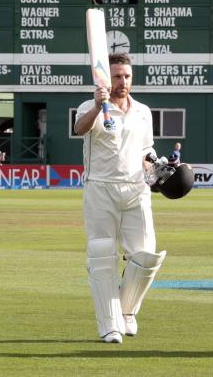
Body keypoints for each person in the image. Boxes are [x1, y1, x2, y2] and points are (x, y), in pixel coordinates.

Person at [73, 53, 164, 344]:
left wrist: (156, 170)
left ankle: (125, 312)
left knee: (146, 256)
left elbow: (146, 152)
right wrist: (100, 106)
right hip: (101, 187)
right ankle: (110, 325)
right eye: (116, 76)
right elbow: (79, 129)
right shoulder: (91, 106)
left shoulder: (143, 111)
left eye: (126, 76)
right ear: (106, 78)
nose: (122, 81)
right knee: (102, 255)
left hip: (137, 189)